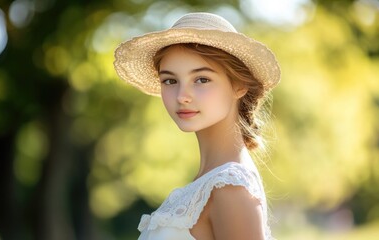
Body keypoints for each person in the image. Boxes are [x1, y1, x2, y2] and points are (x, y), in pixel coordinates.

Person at [114, 12, 280, 240]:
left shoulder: (230, 187)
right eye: (170, 81)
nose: (182, 96)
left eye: (201, 79)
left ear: (239, 85)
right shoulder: (210, 182)